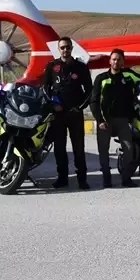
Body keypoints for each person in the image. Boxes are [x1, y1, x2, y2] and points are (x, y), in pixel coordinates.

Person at [90, 49, 140, 187]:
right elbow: (94, 101)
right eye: (114, 59)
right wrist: (99, 120)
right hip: (105, 120)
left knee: (129, 149)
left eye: (119, 59)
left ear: (123, 61)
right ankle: (106, 178)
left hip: (123, 120)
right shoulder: (101, 78)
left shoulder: (129, 74)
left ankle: (126, 178)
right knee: (103, 150)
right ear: (110, 61)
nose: (116, 62)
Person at [43, 37, 94, 190]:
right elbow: (45, 89)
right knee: (59, 148)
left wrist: (79, 107)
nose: (66, 50)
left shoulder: (80, 67)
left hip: (75, 113)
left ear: (72, 48)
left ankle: (82, 180)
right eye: (63, 47)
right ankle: (62, 178)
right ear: (59, 49)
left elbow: (89, 91)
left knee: (79, 148)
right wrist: (53, 105)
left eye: (68, 47)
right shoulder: (52, 66)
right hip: (58, 114)